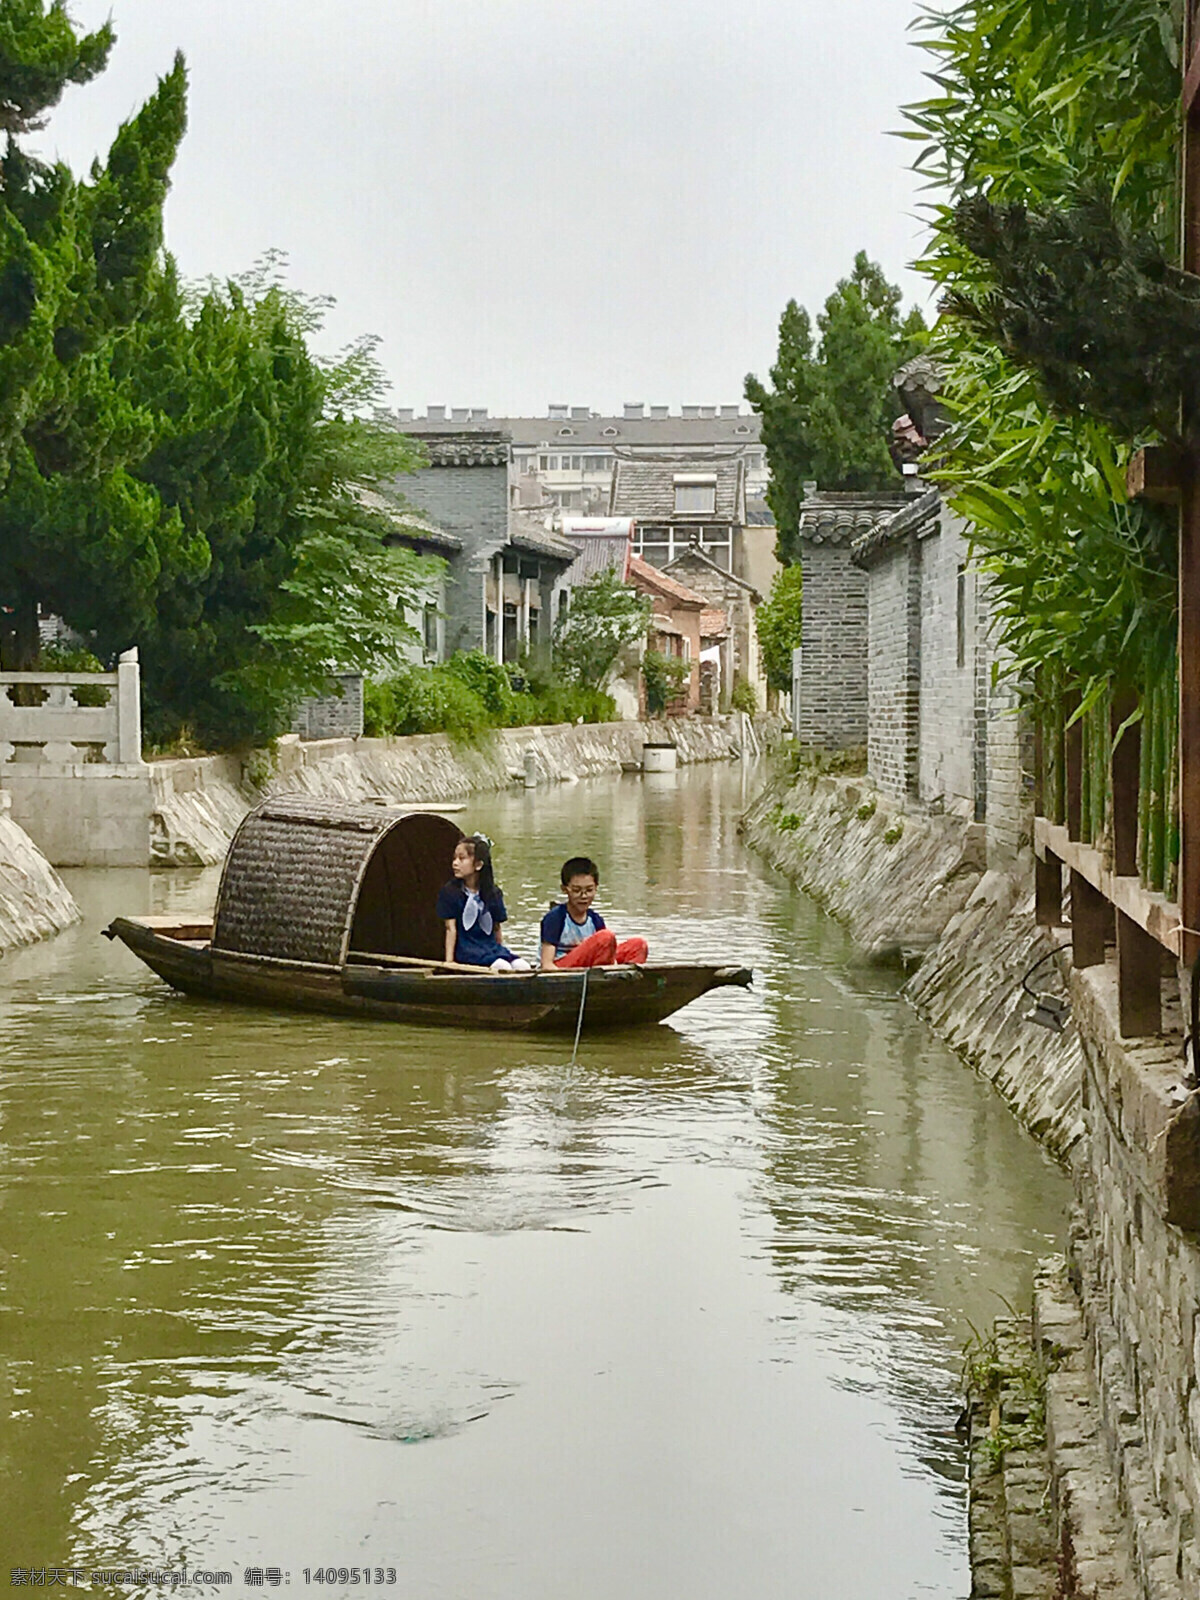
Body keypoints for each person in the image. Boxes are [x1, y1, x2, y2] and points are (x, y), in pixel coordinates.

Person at [437, 834, 532, 972]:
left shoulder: (492, 893)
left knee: (523, 966)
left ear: (478, 865)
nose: (455, 863)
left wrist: (500, 951)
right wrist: (450, 962)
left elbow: (496, 928)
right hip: (467, 949)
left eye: (462, 858)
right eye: (454, 858)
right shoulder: (450, 892)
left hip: (490, 948)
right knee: (502, 967)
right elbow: (450, 929)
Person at [539, 856, 648, 970]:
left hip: (589, 965)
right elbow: (547, 965)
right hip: (562, 966)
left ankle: (623, 984)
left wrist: (615, 966)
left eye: (589, 890)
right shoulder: (556, 918)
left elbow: (607, 954)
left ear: (596, 888)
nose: (584, 896)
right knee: (605, 937)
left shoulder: (595, 920)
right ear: (565, 889)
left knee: (638, 945)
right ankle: (603, 981)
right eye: (577, 891)